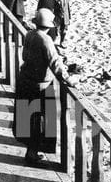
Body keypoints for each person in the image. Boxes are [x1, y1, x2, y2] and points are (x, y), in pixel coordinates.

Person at [14, 9, 78, 165]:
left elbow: (26, 56)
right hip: (39, 85)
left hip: (25, 80)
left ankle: (31, 151)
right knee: (40, 121)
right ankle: (32, 154)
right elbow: (55, 63)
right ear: (49, 25)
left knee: (26, 120)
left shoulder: (30, 34)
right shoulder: (46, 39)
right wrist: (68, 79)